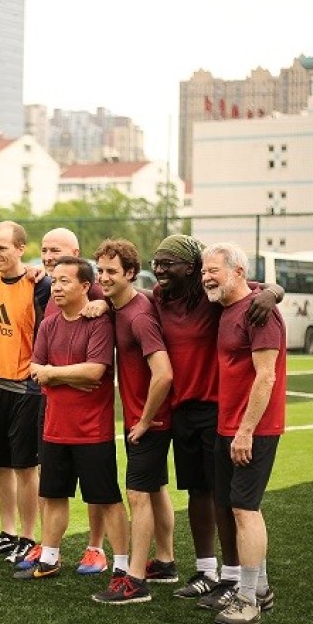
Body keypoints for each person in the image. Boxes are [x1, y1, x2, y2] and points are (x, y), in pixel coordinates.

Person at [150, 235, 281, 604]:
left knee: (226, 499)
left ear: (189, 267)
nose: (159, 270)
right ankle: (206, 571)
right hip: (182, 408)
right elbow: (117, 291)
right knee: (197, 491)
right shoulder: (159, 298)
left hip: (216, 409)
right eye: (156, 262)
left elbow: (258, 289)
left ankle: (234, 576)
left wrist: (273, 293)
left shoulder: (215, 298)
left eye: (168, 263)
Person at [17, 256, 129, 594]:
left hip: (92, 431)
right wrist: (63, 376)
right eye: (54, 280)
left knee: (107, 498)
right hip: (55, 428)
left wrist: (54, 374)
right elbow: (35, 370)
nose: (57, 286)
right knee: (53, 495)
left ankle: (123, 566)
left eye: (65, 281)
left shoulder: (98, 322)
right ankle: (49, 558)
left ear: (85, 286)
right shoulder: (48, 324)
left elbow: (95, 372)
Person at [201, 242, 286, 624]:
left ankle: (248, 601)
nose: (206, 277)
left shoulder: (260, 313)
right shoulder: (229, 306)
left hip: (253, 429)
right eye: (204, 271)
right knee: (236, 506)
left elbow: (266, 376)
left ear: (237, 272)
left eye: (213, 270)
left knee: (245, 509)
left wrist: (246, 431)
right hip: (227, 427)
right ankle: (260, 588)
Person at [91, 239, 174, 603]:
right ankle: (166, 562)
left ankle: (135, 579)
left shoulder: (139, 316)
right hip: (148, 418)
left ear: (130, 273)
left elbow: (164, 374)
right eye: (101, 271)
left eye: (112, 272)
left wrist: (144, 420)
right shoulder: (121, 305)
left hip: (150, 422)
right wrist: (101, 302)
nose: (104, 278)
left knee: (137, 495)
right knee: (155, 489)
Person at [0, 221, 51, 561]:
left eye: (2, 248)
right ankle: (7, 532)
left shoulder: (40, 285)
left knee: (24, 466)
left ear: (20, 249)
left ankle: (28, 536)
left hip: (26, 388)